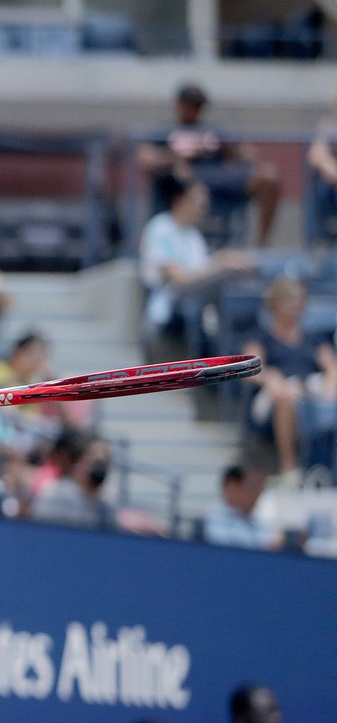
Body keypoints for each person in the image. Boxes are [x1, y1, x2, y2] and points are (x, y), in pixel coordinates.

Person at [136, 83, 280, 247]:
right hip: (181, 183)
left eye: (198, 105)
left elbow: (248, 155)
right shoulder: (165, 131)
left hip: (217, 181)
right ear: (179, 104)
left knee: (268, 177)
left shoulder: (213, 131)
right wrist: (179, 155)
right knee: (182, 173)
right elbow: (145, 159)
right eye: (190, 104)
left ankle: (262, 247)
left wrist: (230, 149)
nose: (195, 109)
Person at [139, 172, 253, 356]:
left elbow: (201, 273)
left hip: (195, 317)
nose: (204, 206)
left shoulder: (194, 236)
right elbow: (180, 279)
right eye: (198, 201)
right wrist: (220, 263)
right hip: (165, 318)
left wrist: (223, 262)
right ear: (180, 200)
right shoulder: (160, 229)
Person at [242, 276, 337, 477]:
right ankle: (289, 468)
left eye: (298, 300)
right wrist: (271, 378)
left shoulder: (313, 338)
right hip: (274, 397)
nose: (295, 305)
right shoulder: (260, 336)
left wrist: (329, 391)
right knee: (285, 396)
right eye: (289, 300)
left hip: (309, 392)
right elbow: (250, 368)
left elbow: (331, 368)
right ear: (275, 303)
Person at [202, 464, 284, 551]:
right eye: (253, 487)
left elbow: (273, 537)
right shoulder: (213, 519)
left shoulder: (257, 522)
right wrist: (267, 545)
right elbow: (225, 546)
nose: (257, 494)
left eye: (260, 489)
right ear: (232, 487)